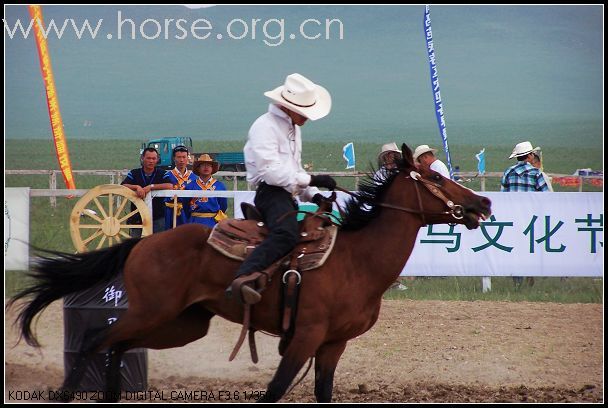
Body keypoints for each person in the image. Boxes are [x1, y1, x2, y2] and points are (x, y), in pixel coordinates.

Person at [226, 73, 337, 305]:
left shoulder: (294, 129)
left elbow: (292, 171)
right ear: (288, 107)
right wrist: (313, 179)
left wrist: (313, 195)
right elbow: (271, 173)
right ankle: (243, 277)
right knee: (286, 234)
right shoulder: (264, 126)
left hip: (286, 194)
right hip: (270, 193)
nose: (307, 118)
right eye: (304, 113)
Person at [501, 141, 549, 287]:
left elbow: (502, 196)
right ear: (529, 156)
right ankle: (530, 275)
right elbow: (546, 197)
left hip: (512, 217)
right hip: (531, 218)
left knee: (516, 248)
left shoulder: (508, 172)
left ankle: (517, 281)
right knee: (530, 247)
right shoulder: (536, 173)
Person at [121, 147, 173, 236]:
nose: (151, 161)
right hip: (137, 216)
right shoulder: (134, 173)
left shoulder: (162, 173)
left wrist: (151, 187)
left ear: (157, 160)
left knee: (158, 243)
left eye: (154, 158)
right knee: (136, 243)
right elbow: (123, 186)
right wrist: (136, 187)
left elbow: (170, 186)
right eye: (148, 158)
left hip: (158, 216)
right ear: (142, 158)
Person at [185, 154, 228, 228]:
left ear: (212, 168)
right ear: (198, 168)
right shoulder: (190, 186)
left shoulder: (220, 186)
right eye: (203, 165)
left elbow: (223, 206)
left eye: (209, 165)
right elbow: (185, 205)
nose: (206, 167)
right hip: (194, 221)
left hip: (213, 221)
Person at [164, 145, 198, 230]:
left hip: (188, 212)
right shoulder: (167, 176)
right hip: (170, 213)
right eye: (179, 157)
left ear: (188, 158)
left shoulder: (194, 177)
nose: (181, 160)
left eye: (184, 157)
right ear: (174, 158)